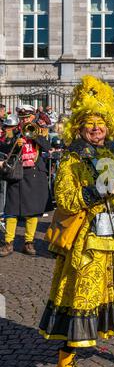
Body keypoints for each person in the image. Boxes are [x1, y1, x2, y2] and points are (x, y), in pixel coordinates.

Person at [39, 76, 114, 367]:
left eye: (100, 122)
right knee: (84, 297)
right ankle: (65, 363)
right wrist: (97, 190)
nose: (95, 128)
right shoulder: (71, 160)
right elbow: (65, 200)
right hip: (90, 241)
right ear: (78, 127)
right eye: (89, 123)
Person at [0, 105, 51, 256]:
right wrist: (14, 144)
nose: (25, 121)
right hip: (17, 173)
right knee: (11, 210)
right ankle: (8, 243)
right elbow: (3, 147)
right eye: (22, 118)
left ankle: (29, 243)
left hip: (34, 174)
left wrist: (34, 136)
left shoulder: (41, 130)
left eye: (27, 118)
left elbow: (48, 147)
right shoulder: (13, 131)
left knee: (33, 211)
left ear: (33, 117)